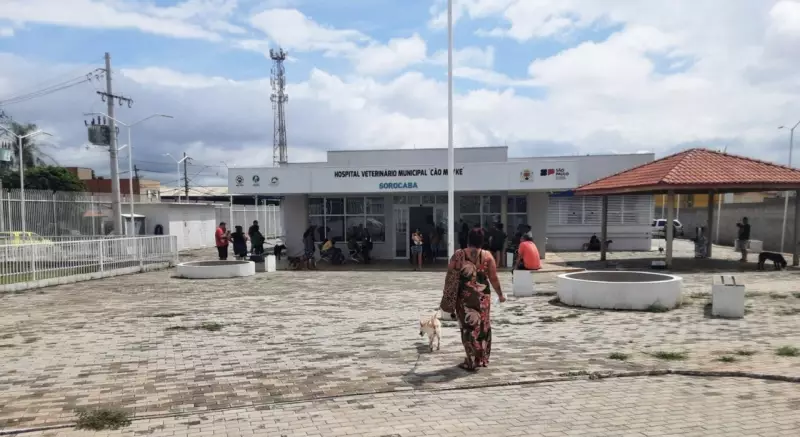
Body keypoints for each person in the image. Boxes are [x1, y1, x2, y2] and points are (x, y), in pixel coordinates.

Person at [439, 227, 505, 372]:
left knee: (467, 328)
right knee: (482, 326)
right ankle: (480, 358)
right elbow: (493, 278)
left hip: (464, 298)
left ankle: (470, 360)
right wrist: (500, 294)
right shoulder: (487, 256)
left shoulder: (458, 255)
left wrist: (448, 299)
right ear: (483, 241)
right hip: (483, 299)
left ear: (468, 239)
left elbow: (450, 278)